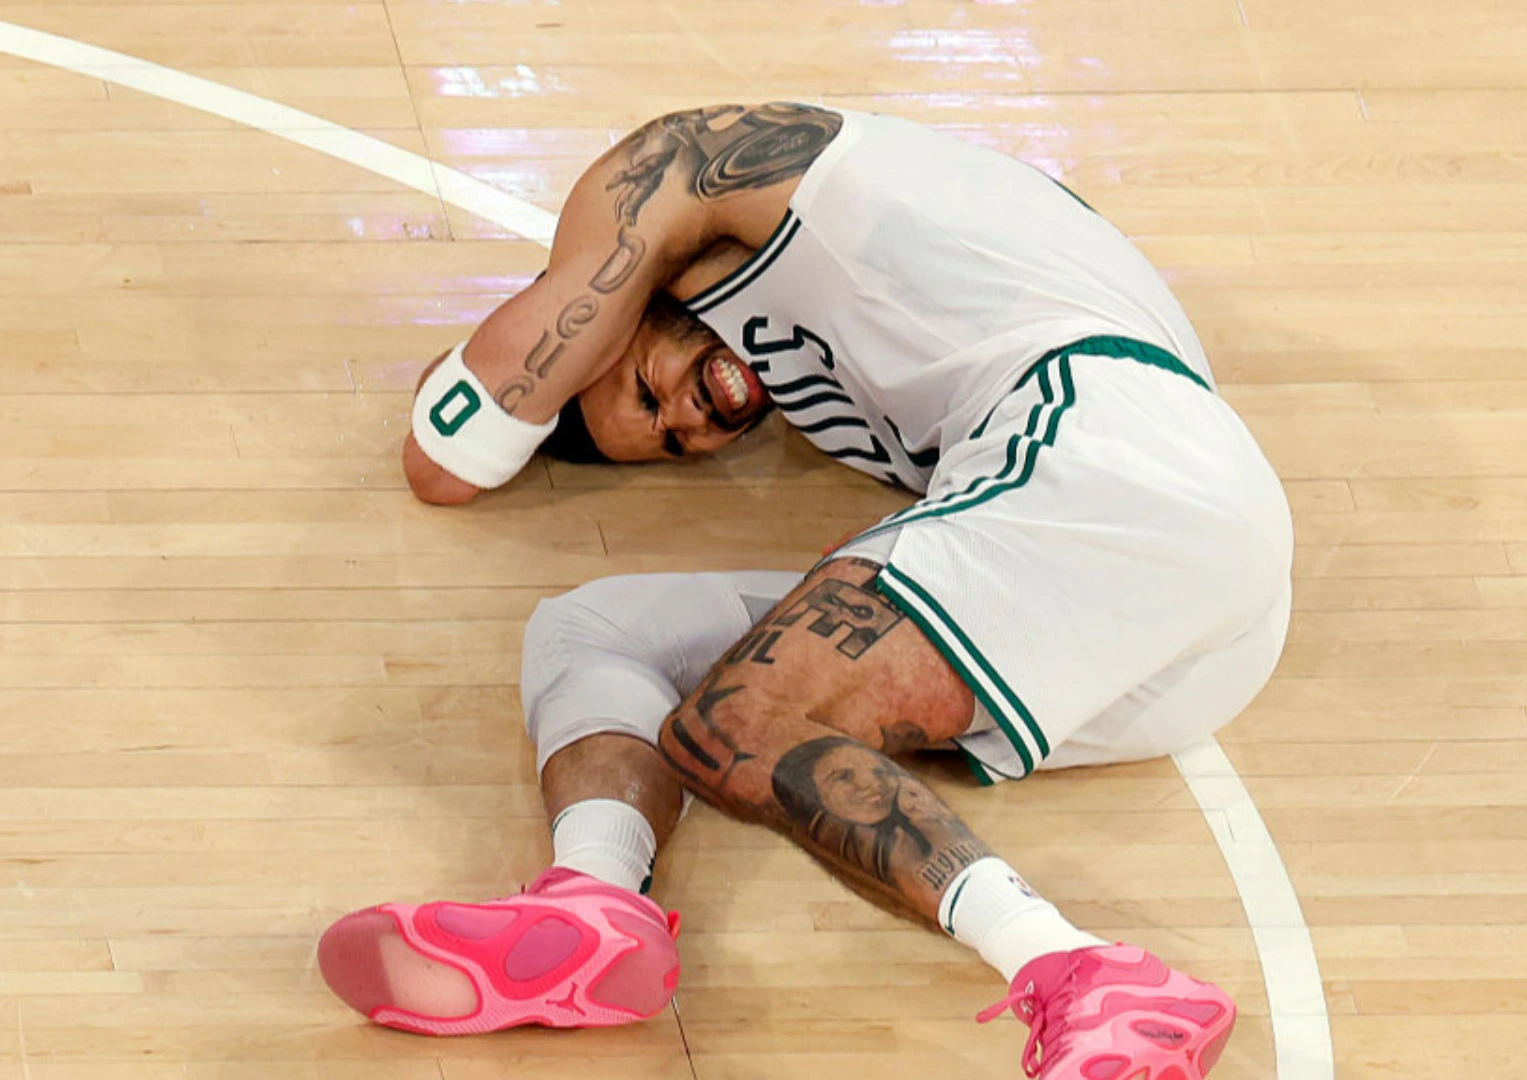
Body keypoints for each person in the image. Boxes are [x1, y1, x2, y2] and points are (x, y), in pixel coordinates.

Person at [317, 103, 1292, 1080]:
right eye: (672, 444)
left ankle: (1077, 968)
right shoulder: (820, 354)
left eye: (648, 390)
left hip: (1114, 452)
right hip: (1180, 647)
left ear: (612, 319)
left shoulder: (703, 166)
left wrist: (554, 326)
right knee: (594, 628)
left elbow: (443, 460)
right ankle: (594, 898)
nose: (688, 422)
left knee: (736, 722)